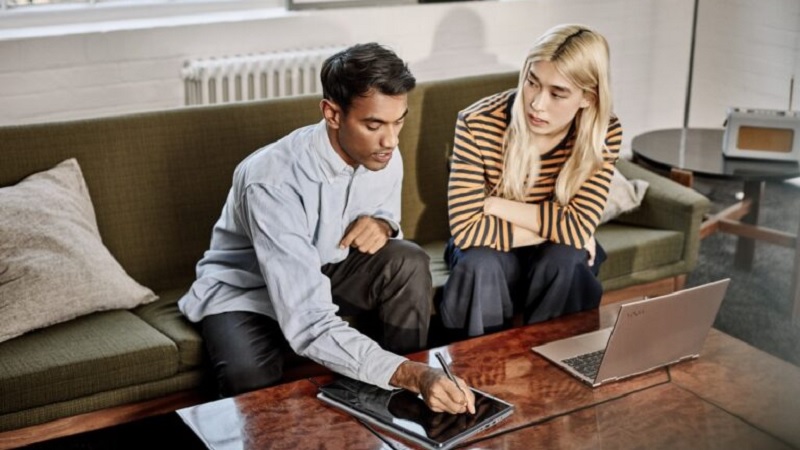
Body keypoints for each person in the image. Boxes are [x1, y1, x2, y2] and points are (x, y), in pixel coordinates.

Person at [179, 43, 475, 414]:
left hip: (325, 267)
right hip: (247, 292)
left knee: (408, 261)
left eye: (398, 121)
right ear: (332, 114)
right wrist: (413, 374)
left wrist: (384, 223)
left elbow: (385, 211)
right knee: (249, 378)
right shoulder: (271, 182)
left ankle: (402, 409)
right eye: (374, 125)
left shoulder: (382, 152)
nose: (391, 140)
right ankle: (407, 379)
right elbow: (309, 322)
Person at [441, 24, 623, 338]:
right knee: (481, 264)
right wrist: (565, 229)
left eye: (557, 93)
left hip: (547, 251)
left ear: (588, 97)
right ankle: (477, 366)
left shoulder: (603, 132)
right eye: (532, 82)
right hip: (488, 250)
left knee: (566, 258)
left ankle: (557, 363)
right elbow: (467, 230)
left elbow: (579, 227)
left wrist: (494, 205)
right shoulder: (477, 122)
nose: (537, 103)